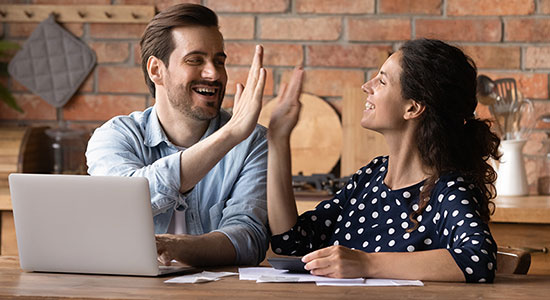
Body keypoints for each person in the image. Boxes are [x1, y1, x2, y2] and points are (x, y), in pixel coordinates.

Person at [267, 39, 500, 283]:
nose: (366, 86)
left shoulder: (448, 190)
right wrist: (278, 140)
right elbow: (292, 243)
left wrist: (365, 262)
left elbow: (479, 259)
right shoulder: (370, 175)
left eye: (382, 81)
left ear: (412, 108)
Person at [86, 4, 269, 267]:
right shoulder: (115, 136)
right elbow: (122, 202)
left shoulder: (251, 141)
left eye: (219, 61)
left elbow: (248, 239)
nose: (214, 74)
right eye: (195, 60)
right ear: (156, 70)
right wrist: (228, 136)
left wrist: (176, 247)